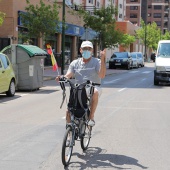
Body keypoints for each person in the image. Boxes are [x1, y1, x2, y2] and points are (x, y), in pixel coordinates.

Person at [56, 40, 106, 127]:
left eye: (89, 49)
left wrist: (103, 59)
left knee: (95, 92)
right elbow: (68, 75)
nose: (87, 50)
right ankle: (69, 135)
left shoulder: (97, 62)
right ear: (80, 50)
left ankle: (91, 117)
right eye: (85, 48)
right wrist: (62, 78)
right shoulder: (75, 63)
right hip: (79, 88)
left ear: (92, 51)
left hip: (92, 87)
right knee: (69, 111)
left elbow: (101, 75)